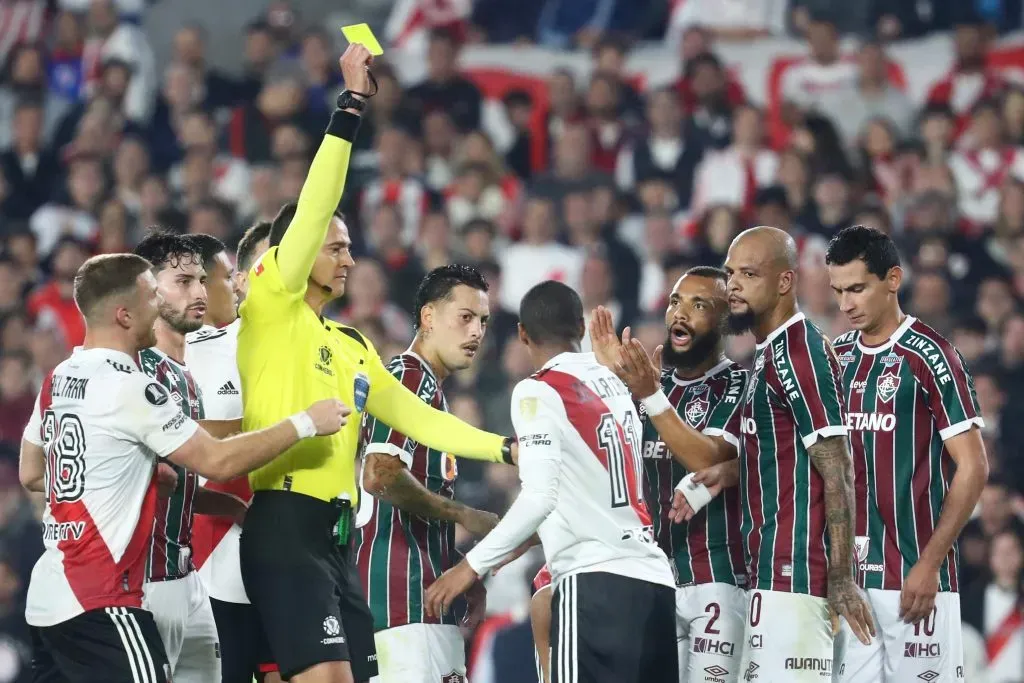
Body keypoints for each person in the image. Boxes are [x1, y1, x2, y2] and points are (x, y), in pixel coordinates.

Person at [236, 44, 515, 683]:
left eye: (352, 248)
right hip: (283, 524)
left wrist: (502, 449)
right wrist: (352, 107)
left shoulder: (354, 346)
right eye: (336, 247)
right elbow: (316, 199)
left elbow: (419, 419)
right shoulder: (272, 303)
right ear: (294, 253)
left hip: (337, 540)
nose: (349, 259)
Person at [18, 253, 348, 683]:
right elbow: (216, 459)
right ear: (124, 314)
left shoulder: (60, 376)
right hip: (100, 598)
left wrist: (131, 478)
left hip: (51, 593)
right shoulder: (131, 386)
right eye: (151, 295)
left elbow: (32, 472)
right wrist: (305, 422)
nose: (159, 305)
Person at [424, 280, 679, 683]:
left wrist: (470, 567)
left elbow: (541, 495)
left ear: (522, 334)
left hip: (595, 585)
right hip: (656, 586)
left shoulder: (537, 390)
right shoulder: (621, 384)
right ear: (581, 326)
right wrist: (506, 550)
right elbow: (580, 495)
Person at [683, 227, 874, 681]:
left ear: (784, 282)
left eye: (749, 274)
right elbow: (786, 449)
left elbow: (839, 465)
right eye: (730, 274)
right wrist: (734, 470)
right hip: (768, 573)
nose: (733, 287)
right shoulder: (768, 352)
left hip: (799, 576)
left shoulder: (801, 349)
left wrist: (842, 577)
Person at [827, 225, 987, 683]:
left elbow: (974, 467)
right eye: (838, 291)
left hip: (915, 579)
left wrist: (931, 562)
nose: (846, 305)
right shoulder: (834, 359)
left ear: (892, 279)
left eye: (857, 288)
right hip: (850, 584)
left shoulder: (931, 355)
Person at [590, 267, 750, 683]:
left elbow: (707, 457)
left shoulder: (739, 384)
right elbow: (602, 466)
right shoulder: (650, 388)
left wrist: (649, 395)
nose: (681, 314)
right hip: (653, 581)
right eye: (676, 302)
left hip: (716, 579)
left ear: (725, 320)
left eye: (700, 305)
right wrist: (611, 385)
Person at [355, 264, 501, 683]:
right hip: (397, 604)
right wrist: (462, 515)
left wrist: (455, 565)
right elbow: (379, 475)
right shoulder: (409, 376)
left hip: (424, 598)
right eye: (466, 317)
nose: (477, 332)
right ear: (428, 318)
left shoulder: (432, 390)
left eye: (484, 321)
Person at [133, 232, 251, 683]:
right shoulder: (136, 369)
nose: (200, 292)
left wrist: (232, 506)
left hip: (185, 575)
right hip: (140, 581)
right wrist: (299, 424)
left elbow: (177, 477)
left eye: (202, 280)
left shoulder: (183, 376)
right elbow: (212, 461)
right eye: (183, 281)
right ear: (146, 289)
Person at [184, 226, 276, 683]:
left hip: (262, 537)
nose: (238, 284)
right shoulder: (161, 355)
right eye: (228, 276)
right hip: (196, 548)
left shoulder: (256, 338)